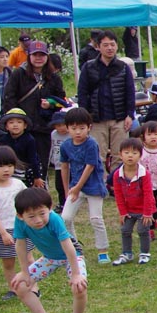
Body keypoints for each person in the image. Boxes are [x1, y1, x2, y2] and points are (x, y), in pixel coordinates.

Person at [8, 187, 88, 313]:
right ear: (20, 216)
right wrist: (25, 272)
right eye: (31, 216)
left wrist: (76, 274)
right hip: (50, 258)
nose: (38, 220)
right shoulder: (20, 222)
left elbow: (68, 246)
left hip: (72, 256)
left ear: (50, 209)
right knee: (20, 286)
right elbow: (20, 245)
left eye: (42, 214)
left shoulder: (54, 219)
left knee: (79, 287)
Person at [74, 30, 135, 175]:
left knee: (120, 154)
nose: (109, 48)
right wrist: (85, 117)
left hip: (119, 118)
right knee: (97, 155)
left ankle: (117, 183)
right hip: (96, 118)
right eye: (105, 45)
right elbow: (82, 93)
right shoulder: (89, 67)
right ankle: (100, 184)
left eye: (112, 45)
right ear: (98, 47)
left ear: (117, 46)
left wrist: (130, 115)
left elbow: (130, 93)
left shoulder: (123, 67)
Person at [58, 107, 110, 265]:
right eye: (73, 128)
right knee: (65, 218)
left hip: (93, 187)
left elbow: (90, 167)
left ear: (89, 127)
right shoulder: (65, 146)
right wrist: (67, 190)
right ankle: (74, 247)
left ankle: (103, 250)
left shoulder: (91, 144)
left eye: (82, 128)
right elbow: (64, 167)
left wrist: (77, 187)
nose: (78, 132)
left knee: (96, 218)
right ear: (67, 128)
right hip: (75, 187)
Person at [0, 146, 27, 298]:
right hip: (2, 230)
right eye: (1, 166)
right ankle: (13, 288)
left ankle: (33, 286)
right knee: (8, 262)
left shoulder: (18, 184)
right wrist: (3, 233)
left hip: (21, 228)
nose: (6, 170)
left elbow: (26, 203)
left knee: (28, 258)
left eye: (10, 165)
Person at [111, 137, 154, 266]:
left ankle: (145, 253)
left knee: (142, 230)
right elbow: (118, 194)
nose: (130, 156)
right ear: (120, 154)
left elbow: (148, 194)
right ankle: (127, 253)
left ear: (140, 155)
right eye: (127, 153)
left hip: (143, 210)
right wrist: (122, 212)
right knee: (125, 229)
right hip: (129, 210)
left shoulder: (144, 174)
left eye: (134, 153)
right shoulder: (117, 174)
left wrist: (147, 213)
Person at [0, 108, 42, 187]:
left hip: (29, 170)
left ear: (25, 125)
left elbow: (33, 159)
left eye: (19, 122)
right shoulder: (4, 140)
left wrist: (37, 177)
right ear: (6, 127)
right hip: (10, 168)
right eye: (11, 122)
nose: (15, 125)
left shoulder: (29, 140)